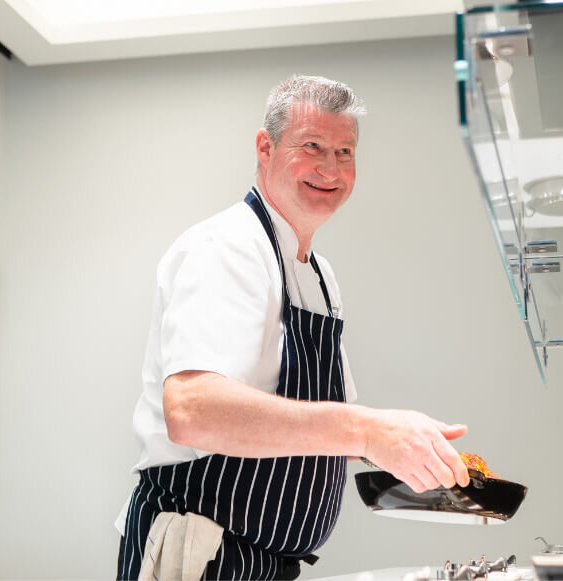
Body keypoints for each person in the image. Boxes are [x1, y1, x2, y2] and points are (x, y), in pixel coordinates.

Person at [115, 74, 470, 581]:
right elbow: (192, 411)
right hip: (203, 555)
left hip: (268, 564)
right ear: (266, 147)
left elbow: (322, 427)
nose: (331, 168)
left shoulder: (319, 274)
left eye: (345, 152)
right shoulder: (228, 247)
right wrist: (369, 430)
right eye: (313, 147)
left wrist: (415, 451)